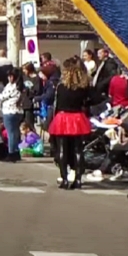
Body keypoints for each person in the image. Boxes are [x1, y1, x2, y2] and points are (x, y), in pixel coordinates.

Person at [48, 58, 94, 189]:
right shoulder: (83, 88)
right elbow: (90, 100)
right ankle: (78, 179)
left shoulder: (61, 87)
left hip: (63, 117)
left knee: (62, 149)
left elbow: (57, 104)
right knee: (78, 150)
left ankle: (64, 179)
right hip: (77, 118)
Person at [0, 68, 25, 162]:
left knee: (11, 133)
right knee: (15, 132)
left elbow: (2, 96)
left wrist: (1, 96)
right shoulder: (19, 86)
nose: (9, 78)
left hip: (10, 111)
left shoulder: (13, 87)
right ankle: (16, 152)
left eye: (11, 76)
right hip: (16, 111)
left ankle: (11, 152)